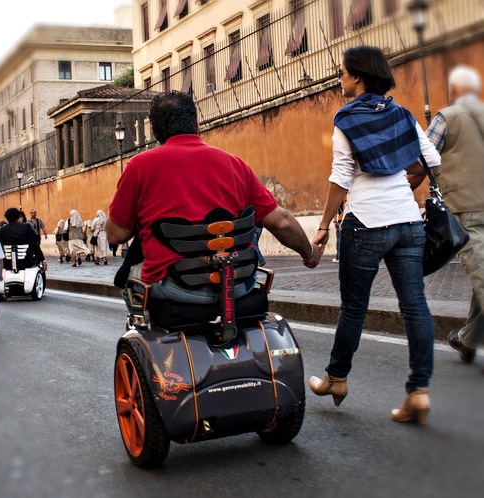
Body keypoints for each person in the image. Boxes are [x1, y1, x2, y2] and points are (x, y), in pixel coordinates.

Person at [307, 46, 441, 425]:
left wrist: (322, 226)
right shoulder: (402, 114)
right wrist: (402, 179)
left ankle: (336, 378)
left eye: (343, 72)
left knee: (354, 308)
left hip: (365, 223)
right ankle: (418, 391)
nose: (340, 78)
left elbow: (341, 177)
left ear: (358, 76)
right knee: (415, 306)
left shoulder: (346, 118)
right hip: (408, 223)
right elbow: (432, 159)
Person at [106, 91, 321, 307]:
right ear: (197, 125)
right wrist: (309, 253)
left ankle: (147, 330)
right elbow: (281, 222)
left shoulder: (138, 167)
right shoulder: (235, 165)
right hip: (237, 284)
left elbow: (116, 235)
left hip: (177, 288)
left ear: (154, 132)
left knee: (131, 279)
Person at [425, 65, 484, 364]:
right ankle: (469, 339)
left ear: (454, 90)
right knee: (481, 274)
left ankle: (468, 339)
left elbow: (422, 154)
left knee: (482, 276)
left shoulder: (446, 117)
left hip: (465, 208)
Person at [0, 207, 47, 274]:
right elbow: (34, 245)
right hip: (26, 263)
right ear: (18, 217)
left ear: (6, 217)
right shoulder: (26, 227)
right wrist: (42, 259)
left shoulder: (0, 231)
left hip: (8, 264)